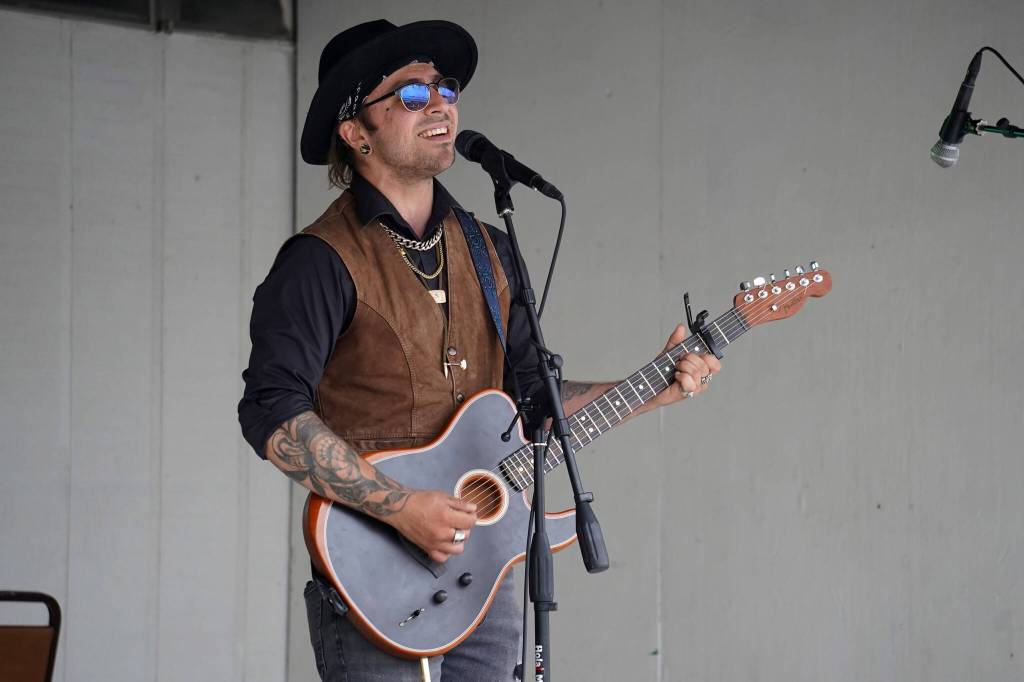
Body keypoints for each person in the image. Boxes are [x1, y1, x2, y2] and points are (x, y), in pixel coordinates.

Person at [238, 18, 722, 682]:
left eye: (446, 88)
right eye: (411, 94)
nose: (439, 103)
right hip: (373, 577)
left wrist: (651, 390)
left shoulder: (489, 249)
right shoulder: (320, 261)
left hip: (485, 571)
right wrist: (401, 506)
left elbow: (534, 404)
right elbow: (271, 411)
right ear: (355, 132)